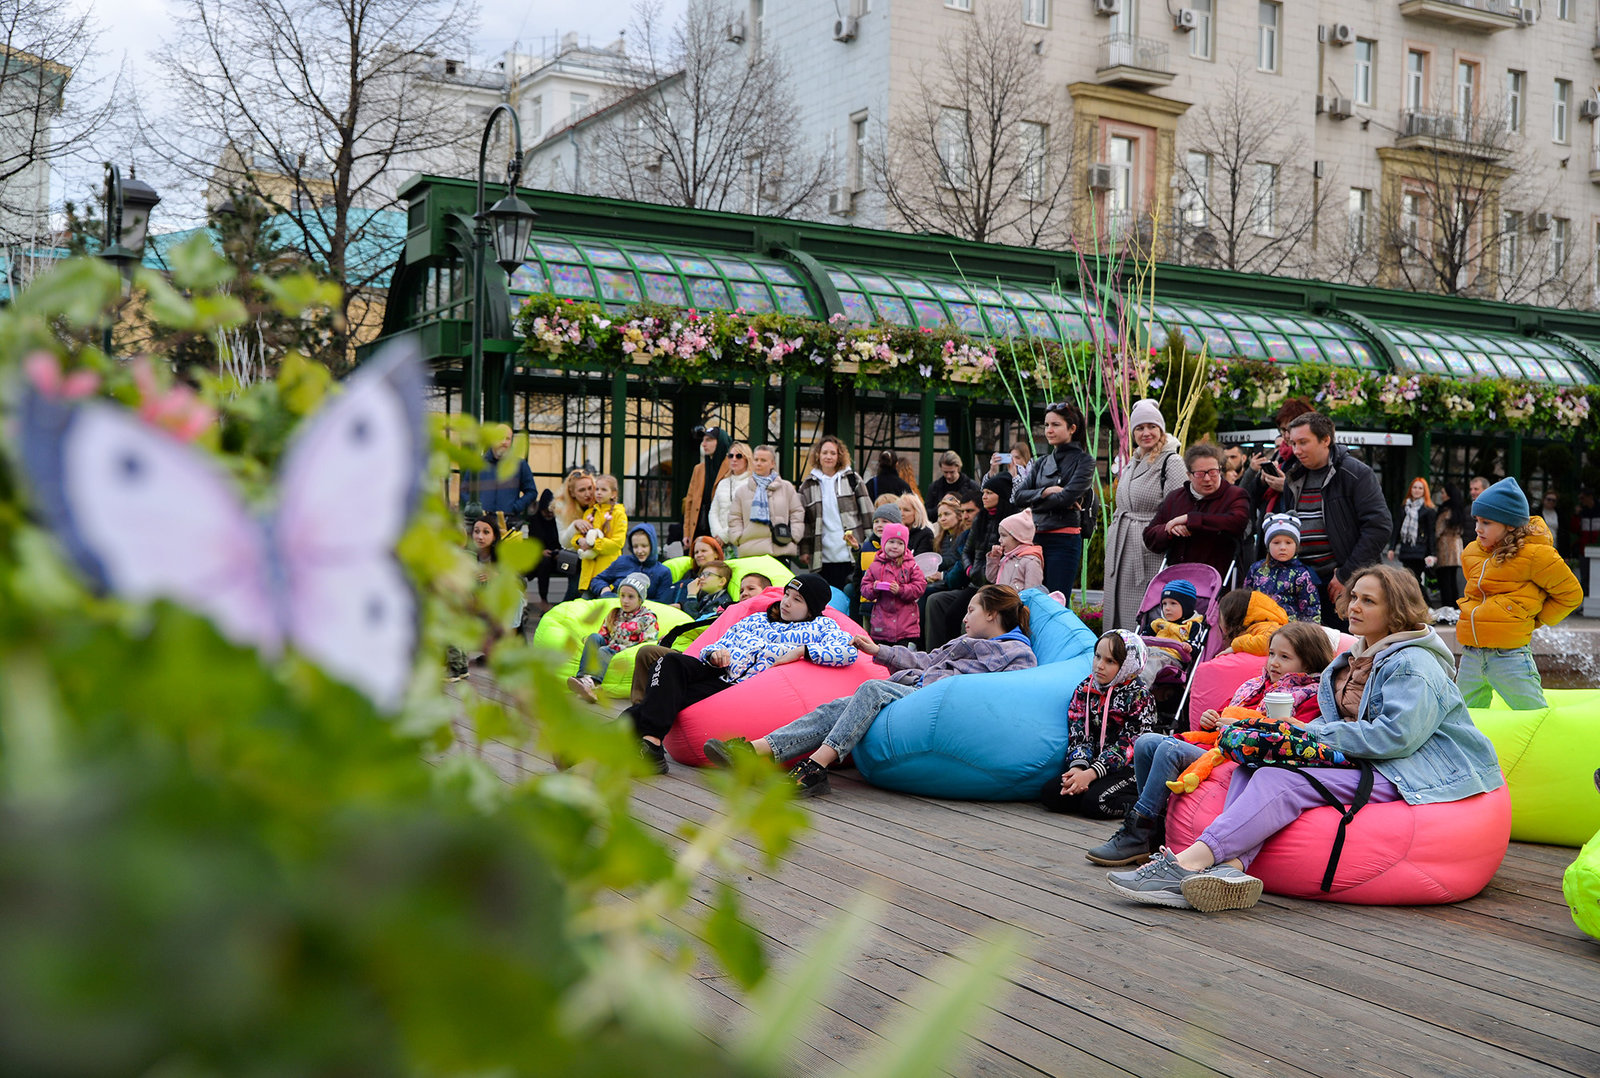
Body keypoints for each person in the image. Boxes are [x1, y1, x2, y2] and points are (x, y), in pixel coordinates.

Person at [1106, 565, 1504, 913]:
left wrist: (1306, 731)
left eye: (1368, 601)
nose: (1354, 606)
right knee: (1253, 764)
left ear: (1396, 611)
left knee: (1278, 780)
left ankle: (1187, 864)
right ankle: (1229, 871)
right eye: (1354, 597)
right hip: (1364, 758)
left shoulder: (1413, 664)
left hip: (1410, 769)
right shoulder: (1354, 658)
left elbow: (1395, 737)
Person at [703, 585, 1037, 796]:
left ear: (991, 614)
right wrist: (878, 650)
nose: (965, 618)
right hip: (917, 692)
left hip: (939, 703)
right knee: (835, 707)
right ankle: (754, 752)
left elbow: (1009, 694)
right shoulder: (963, 641)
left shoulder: (1017, 653)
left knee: (873, 689)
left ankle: (816, 768)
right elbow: (926, 660)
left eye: (971, 610)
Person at [1086, 622, 1335, 866]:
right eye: (1271, 654)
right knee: (1146, 742)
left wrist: (1240, 726)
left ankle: (1136, 832)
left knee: (1170, 749)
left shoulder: (1310, 696)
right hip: (1216, 745)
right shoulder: (1255, 685)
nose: (1274, 662)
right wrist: (1210, 719)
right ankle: (1151, 831)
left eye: (1284, 657)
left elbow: (1292, 737)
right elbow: (1222, 715)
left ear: (1309, 662)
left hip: (1240, 758)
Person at [623, 574, 856, 773]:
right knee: (668, 661)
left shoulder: (822, 627)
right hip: (718, 671)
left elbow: (847, 652)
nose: (786, 603)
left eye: (797, 600)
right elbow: (716, 644)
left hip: (741, 689)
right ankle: (651, 743)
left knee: (668, 697)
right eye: (786, 595)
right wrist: (714, 654)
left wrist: (802, 650)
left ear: (811, 608)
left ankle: (638, 740)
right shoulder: (757, 619)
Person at [1456, 478, 1583, 710]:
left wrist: (1533, 619)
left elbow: (1571, 594)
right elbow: (1477, 593)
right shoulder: (1472, 553)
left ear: (1510, 525)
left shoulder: (1536, 555)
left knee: (1533, 716)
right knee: (1462, 718)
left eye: (1486, 522)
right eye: (1477, 520)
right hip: (1471, 654)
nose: (1477, 528)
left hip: (1510, 656)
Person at [1276, 413, 1391, 631]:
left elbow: (1379, 528)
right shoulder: (1293, 476)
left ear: (1326, 440)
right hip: (1303, 582)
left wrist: (1346, 575)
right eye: (1293, 443)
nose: (1296, 450)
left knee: (1347, 646)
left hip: (1345, 583)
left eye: (1303, 442)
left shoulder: (1355, 473)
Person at [1040, 630, 1155, 819]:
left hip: (1129, 769)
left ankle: (1148, 805)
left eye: (1110, 661)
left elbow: (1128, 746)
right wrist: (1078, 769)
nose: (1100, 665)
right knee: (1051, 794)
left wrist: (1091, 774)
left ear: (1127, 665)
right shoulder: (1085, 689)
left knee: (1096, 803)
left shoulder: (1140, 696)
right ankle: (1087, 791)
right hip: (1093, 764)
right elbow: (1078, 733)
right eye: (1098, 656)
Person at [1103, 398, 1187, 631]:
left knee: (1141, 612)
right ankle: (1115, 649)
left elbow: (1178, 507)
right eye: (1139, 428)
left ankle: (1137, 650)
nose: (1146, 433)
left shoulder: (1171, 461)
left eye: (1151, 426)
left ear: (1161, 429)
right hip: (1121, 545)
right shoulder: (1133, 461)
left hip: (1148, 547)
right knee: (1117, 611)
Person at [1012, 402, 1096, 602]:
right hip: (1035, 538)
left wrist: (1035, 501)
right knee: (1030, 600)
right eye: (1047, 425)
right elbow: (1018, 497)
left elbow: (1066, 498)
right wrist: (1046, 492)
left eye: (1056, 425)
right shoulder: (1042, 462)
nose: (1049, 430)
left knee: (1056, 601)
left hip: (1064, 540)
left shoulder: (1085, 461)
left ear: (1072, 428)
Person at [923, 474, 1012, 650]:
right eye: (983, 492)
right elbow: (966, 552)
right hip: (975, 580)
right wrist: (970, 569)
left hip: (996, 585)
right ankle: (937, 653)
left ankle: (961, 654)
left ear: (1001, 494)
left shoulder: (1009, 519)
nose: (985, 496)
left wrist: (947, 574)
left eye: (989, 493)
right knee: (939, 603)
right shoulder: (981, 519)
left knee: (959, 614)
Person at [1142, 444, 1250, 581]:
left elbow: (1237, 522)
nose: (1207, 479)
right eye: (1200, 474)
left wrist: (1190, 519)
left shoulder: (1235, 495)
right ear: (1188, 475)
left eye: (1213, 472)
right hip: (1178, 582)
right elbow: (1149, 536)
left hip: (1218, 580)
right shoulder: (1175, 498)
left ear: (1220, 470)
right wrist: (1169, 530)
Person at [1238, 397, 1316, 558]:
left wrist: (1286, 487)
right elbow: (1249, 496)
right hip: (1270, 532)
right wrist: (1261, 481)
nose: (1286, 435)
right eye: (1282, 430)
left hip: (1298, 539)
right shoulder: (1279, 455)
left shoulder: (1312, 459)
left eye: (1291, 429)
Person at [798, 435, 876, 590]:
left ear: (839, 456)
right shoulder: (807, 485)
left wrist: (872, 544)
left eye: (833, 453)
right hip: (822, 556)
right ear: (818, 455)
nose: (829, 457)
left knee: (850, 593)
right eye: (825, 453)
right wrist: (804, 550)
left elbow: (867, 513)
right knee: (827, 596)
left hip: (851, 553)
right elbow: (805, 521)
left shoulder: (853, 479)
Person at [568, 574, 660, 703]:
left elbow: (649, 643)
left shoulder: (648, 618)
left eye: (631, 597)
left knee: (604, 650)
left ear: (640, 599)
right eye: (622, 596)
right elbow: (604, 634)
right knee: (594, 637)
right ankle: (583, 680)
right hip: (610, 646)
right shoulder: (615, 613)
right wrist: (588, 640)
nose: (625, 601)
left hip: (625, 651)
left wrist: (619, 647)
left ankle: (593, 682)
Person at [727, 445, 806, 560]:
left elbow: (797, 512)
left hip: (780, 549)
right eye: (756, 459)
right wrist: (738, 538)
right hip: (750, 552)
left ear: (772, 463)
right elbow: (734, 517)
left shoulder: (786, 487)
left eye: (763, 460)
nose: (758, 463)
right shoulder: (742, 491)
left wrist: (794, 536)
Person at [1242, 514, 1322, 623]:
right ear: (1268, 545)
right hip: (1259, 625)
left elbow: (1311, 609)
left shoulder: (1301, 574)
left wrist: (1306, 631)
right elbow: (1245, 599)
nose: (1282, 547)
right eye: (1276, 542)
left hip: (1289, 628)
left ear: (1296, 546)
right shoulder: (1256, 569)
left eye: (1288, 542)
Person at [557, 470, 628, 593]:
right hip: (583, 564)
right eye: (582, 490)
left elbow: (617, 542)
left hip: (606, 567)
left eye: (591, 488)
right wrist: (579, 538)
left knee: (604, 597)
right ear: (572, 493)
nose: (590, 493)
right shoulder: (582, 511)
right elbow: (568, 541)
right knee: (579, 595)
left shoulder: (616, 513)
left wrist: (593, 544)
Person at [859, 522, 927, 647]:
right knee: (881, 655)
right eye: (891, 542)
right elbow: (864, 588)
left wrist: (901, 590)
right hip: (881, 624)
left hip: (905, 626)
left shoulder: (911, 565)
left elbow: (920, 586)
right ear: (884, 542)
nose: (895, 546)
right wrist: (874, 588)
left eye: (900, 543)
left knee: (902, 655)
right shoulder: (875, 565)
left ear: (905, 545)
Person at [459, 423, 539, 521]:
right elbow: (464, 490)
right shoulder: (478, 464)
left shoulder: (520, 465)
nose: (504, 442)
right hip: (482, 521)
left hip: (508, 521)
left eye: (508, 439)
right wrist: (477, 508)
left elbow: (531, 492)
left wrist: (515, 507)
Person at [589, 523, 675, 602]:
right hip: (614, 608)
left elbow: (663, 603)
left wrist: (635, 603)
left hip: (646, 613)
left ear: (653, 546)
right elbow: (597, 580)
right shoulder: (622, 562)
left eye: (644, 546)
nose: (639, 551)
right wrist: (605, 590)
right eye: (635, 546)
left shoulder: (663, 572)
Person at [682, 426, 731, 546]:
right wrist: (687, 532)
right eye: (703, 440)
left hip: (722, 532)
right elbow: (690, 502)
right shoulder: (699, 469)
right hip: (700, 529)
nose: (703, 444)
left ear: (720, 442)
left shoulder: (732, 467)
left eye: (709, 440)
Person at [1388, 478, 1438, 593]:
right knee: (1409, 580)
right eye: (1414, 487)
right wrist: (1392, 547)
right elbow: (1397, 528)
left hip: (1420, 551)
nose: (1417, 490)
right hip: (1406, 549)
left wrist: (1432, 553)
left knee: (1414, 579)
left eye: (1420, 488)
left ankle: (1424, 602)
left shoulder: (1428, 510)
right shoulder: (1404, 508)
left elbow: (1431, 533)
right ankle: (1420, 602)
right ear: (1410, 489)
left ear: (1424, 491)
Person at [1214, 588, 1289, 656]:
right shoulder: (1256, 627)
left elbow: (1270, 642)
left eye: (1220, 618)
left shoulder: (1265, 626)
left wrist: (1236, 646)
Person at [708, 442, 755, 548]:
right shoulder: (722, 483)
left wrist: (724, 536)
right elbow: (713, 512)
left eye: (739, 456)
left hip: (741, 541)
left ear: (747, 459)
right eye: (730, 456)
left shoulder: (752, 483)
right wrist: (717, 534)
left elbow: (747, 516)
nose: (734, 459)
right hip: (720, 543)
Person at [987, 509, 1045, 592]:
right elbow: (991, 578)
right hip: (1001, 599)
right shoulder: (1006, 558)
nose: (999, 540)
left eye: (1003, 535)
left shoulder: (1031, 561)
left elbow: (1032, 592)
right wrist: (994, 559)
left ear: (1018, 537)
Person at [1431, 483, 1465, 612]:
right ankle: (1455, 609)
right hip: (1457, 548)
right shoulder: (1458, 510)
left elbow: (1438, 530)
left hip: (1445, 548)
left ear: (1449, 495)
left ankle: (1447, 609)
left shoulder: (1445, 511)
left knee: (1444, 581)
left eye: (1443, 493)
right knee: (1452, 580)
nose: (1441, 495)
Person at [669, 536, 725, 606]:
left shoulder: (722, 574)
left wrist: (682, 606)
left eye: (703, 551)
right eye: (696, 552)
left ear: (716, 554)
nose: (699, 555)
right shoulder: (689, 574)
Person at [527, 488, 561, 608]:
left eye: (551, 512)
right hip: (540, 558)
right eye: (545, 512)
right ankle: (544, 600)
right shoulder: (535, 521)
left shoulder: (558, 521)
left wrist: (558, 552)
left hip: (557, 557)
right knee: (544, 563)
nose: (548, 514)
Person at [1149, 579, 1204, 647]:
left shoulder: (1193, 626)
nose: (1167, 608)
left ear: (1187, 607)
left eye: (1173, 603)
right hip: (1152, 651)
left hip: (1173, 653)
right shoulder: (1158, 623)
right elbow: (1142, 638)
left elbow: (1195, 644)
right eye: (1164, 604)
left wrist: (1189, 646)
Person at [926, 496, 965, 591]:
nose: (942, 519)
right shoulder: (940, 539)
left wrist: (941, 574)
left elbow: (956, 562)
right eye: (939, 516)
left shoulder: (964, 537)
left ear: (959, 516)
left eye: (947, 514)